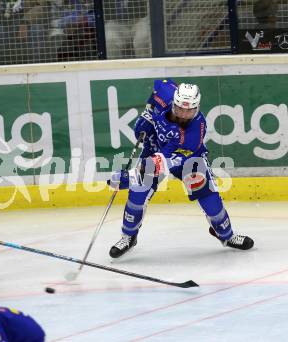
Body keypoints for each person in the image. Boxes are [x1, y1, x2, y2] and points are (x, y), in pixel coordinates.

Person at [108, 79, 254, 258]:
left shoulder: (195, 131)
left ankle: (226, 235)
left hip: (188, 159)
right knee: (137, 195)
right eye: (180, 109)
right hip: (155, 148)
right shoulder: (166, 91)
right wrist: (147, 114)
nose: (184, 114)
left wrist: (128, 178)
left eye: (190, 110)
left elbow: (160, 164)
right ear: (174, 103)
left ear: (197, 108)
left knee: (211, 201)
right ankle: (128, 237)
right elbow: (158, 86)